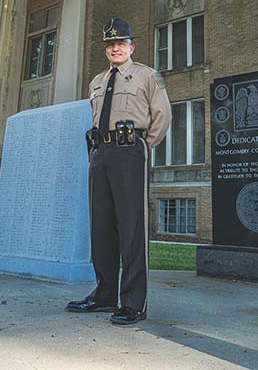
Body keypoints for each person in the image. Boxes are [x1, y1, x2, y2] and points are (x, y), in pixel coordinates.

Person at [66, 17, 171, 326]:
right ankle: (104, 294)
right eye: (110, 44)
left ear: (131, 46)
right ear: (106, 49)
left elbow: (163, 115)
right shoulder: (96, 82)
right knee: (101, 226)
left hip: (129, 153)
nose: (115, 48)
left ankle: (134, 302)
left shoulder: (150, 76)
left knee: (131, 227)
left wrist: (142, 147)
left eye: (120, 43)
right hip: (100, 153)